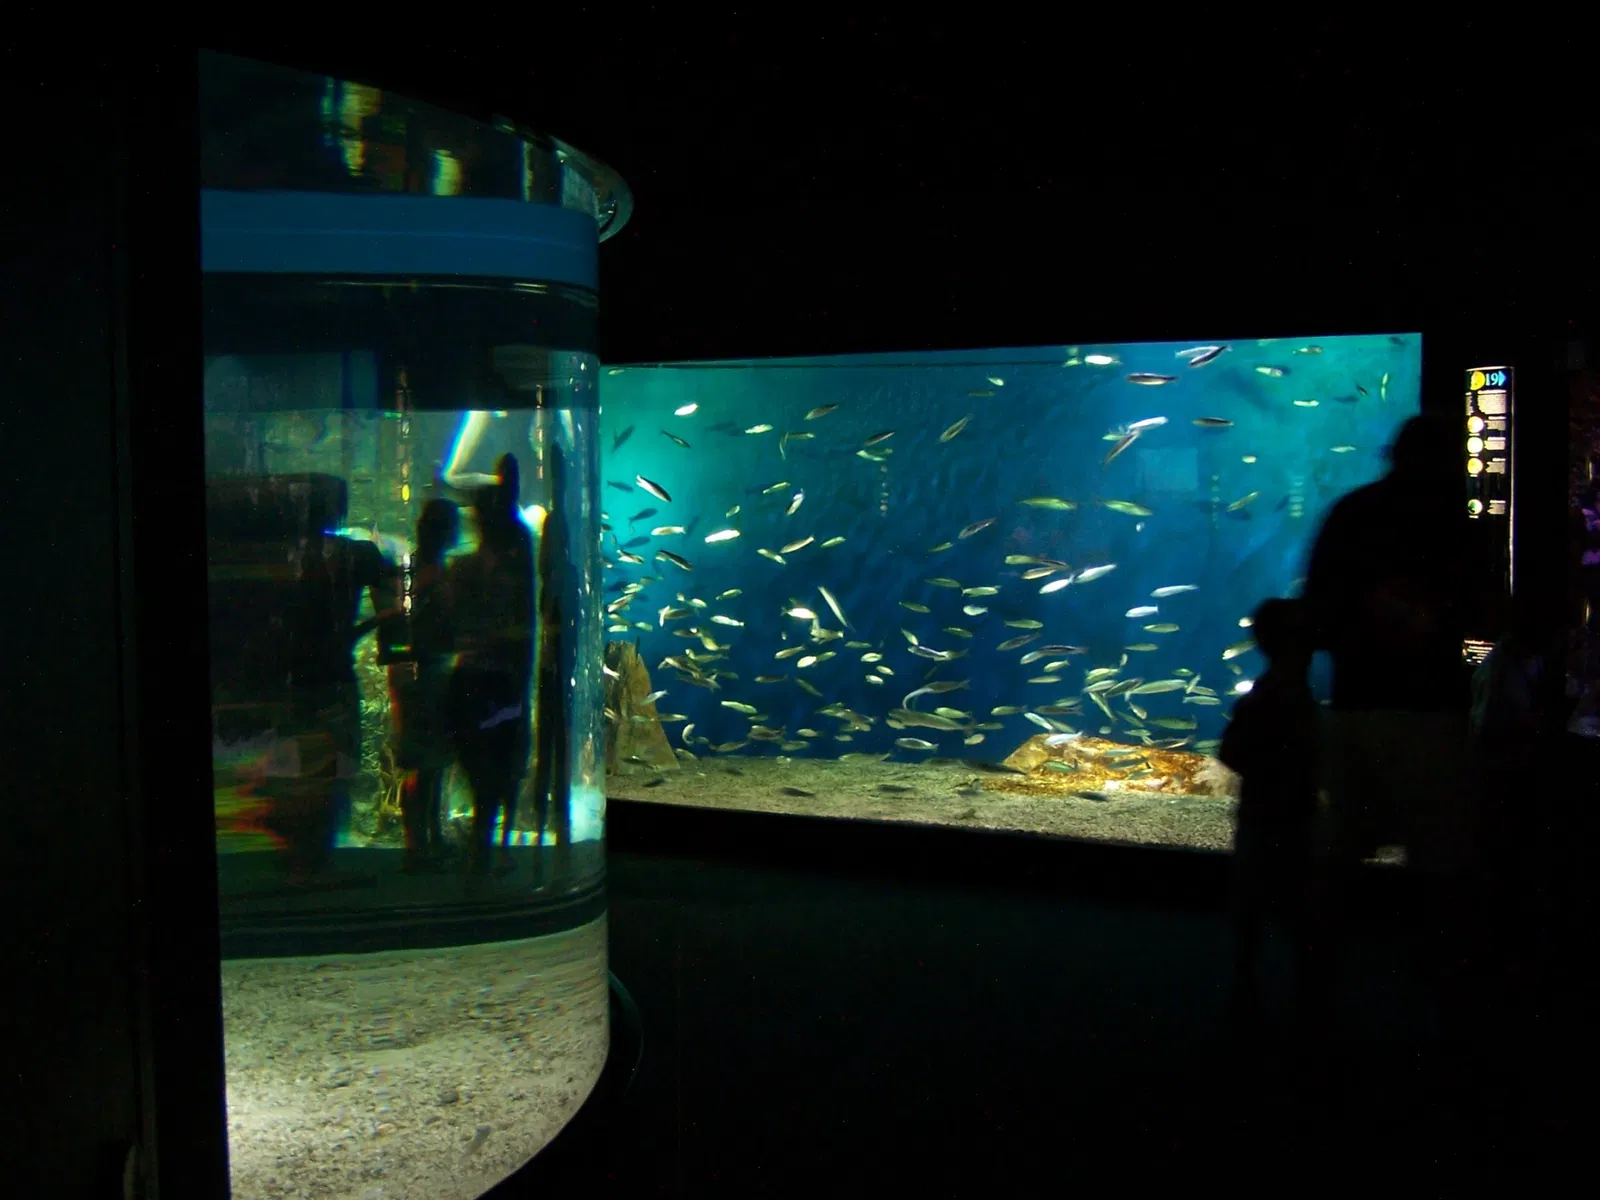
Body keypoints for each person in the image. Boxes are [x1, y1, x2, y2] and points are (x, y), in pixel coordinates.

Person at [1301, 411, 1474, 1036]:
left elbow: (1317, 610)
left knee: (1342, 851)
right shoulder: (1460, 520)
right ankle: (1444, 988)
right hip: (1433, 710)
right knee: (1440, 853)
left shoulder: (1351, 514)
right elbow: (1486, 609)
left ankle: (1314, 983)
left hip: (1357, 705)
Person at [1218, 597, 1320, 1027]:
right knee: (1296, 903)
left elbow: (1230, 751)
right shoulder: (1288, 696)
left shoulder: (1266, 693)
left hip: (1261, 812)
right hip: (1286, 815)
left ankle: (1247, 982)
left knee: (1255, 902)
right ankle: (1304, 993)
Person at [447, 453, 535, 876]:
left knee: (483, 766)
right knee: (503, 763)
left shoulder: (462, 568)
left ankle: (483, 848)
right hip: (501, 679)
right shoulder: (518, 554)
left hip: (473, 678)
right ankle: (492, 848)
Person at [384, 500, 461, 873]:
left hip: (432, 673)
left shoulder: (427, 567)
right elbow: (413, 627)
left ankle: (431, 837)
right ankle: (418, 846)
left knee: (434, 763)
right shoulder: (421, 571)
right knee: (422, 764)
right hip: (421, 675)